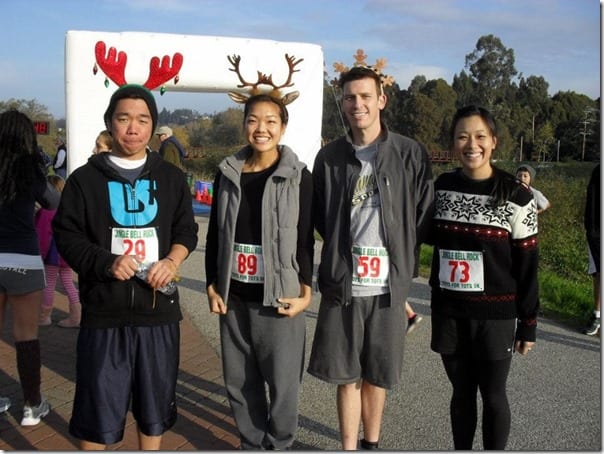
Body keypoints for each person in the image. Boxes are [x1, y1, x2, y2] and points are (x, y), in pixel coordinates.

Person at [52, 84, 199, 450]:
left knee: (153, 411)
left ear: (152, 127)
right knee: (96, 416)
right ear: (109, 123)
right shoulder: (84, 181)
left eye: (142, 119)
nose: (133, 128)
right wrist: (105, 262)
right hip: (104, 315)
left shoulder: (170, 178)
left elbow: (186, 229)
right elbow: (67, 236)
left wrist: (172, 259)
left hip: (158, 315)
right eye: (124, 118)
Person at [307, 65, 434, 450]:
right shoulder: (329, 157)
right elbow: (320, 218)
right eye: (350, 97)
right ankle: (348, 446)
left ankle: (371, 443)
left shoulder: (409, 153)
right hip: (345, 282)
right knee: (346, 375)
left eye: (365, 96)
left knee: (377, 375)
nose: (357, 104)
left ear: (381, 100)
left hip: (388, 289)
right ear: (342, 104)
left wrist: (402, 259)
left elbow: (422, 215)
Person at [205, 93, 314, 450]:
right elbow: (216, 235)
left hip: (278, 298)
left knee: (282, 385)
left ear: (283, 127)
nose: (261, 128)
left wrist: (306, 290)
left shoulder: (298, 176)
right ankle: (251, 444)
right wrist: (211, 284)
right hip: (234, 296)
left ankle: (280, 444)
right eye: (253, 119)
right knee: (239, 381)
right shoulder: (227, 173)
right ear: (244, 125)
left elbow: (305, 237)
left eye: (270, 120)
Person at [429, 105, 539, 450]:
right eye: (462, 136)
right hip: (449, 313)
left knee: (492, 395)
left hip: (495, 316)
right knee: (460, 393)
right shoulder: (441, 187)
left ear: (493, 142)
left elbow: (528, 266)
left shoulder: (517, 196)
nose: (471, 144)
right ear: (452, 144)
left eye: (479, 136)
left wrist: (529, 324)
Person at [0, 109, 60, 424]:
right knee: (26, 336)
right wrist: (39, 164)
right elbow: (53, 202)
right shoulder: (30, 171)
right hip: (22, 257)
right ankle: (31, 405)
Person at [34, 174, 81, 328]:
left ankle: (44, 316)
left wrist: (39, 254)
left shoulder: (46, 211)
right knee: (68, 282)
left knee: (49, 284)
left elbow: (41, 235)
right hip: (67, 253)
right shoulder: (70, 208)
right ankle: (76, 315)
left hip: (52, 254)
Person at [583, 164, 600, 336]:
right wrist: (591, 230)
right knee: (599, 273)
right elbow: (592, 202)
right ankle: (597, 316)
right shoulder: (598, 170)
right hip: (597, 232)